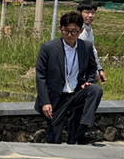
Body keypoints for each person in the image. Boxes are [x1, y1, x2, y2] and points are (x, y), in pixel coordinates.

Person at [35, 11, 104, 144]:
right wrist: (45, 102)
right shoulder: (48, 48)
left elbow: (91, 67)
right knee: (54, 138)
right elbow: (41, 76)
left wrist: (89, 81)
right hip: (56, 97)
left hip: (76, 92)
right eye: (66, 31)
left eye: (74, 32)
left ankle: (84, 128)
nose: (70, 35)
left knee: (95, 90)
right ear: (60, 29)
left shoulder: (86, 47)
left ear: (81, 31)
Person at [77, 0, 107, 84]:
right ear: (80, 13)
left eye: (93, 13)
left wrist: (99, 69)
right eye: (87, 12)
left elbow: (93, 50)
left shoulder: (89, 29)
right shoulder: (78, 29)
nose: (90, 16)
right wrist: (95, 72)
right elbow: (86, 52)